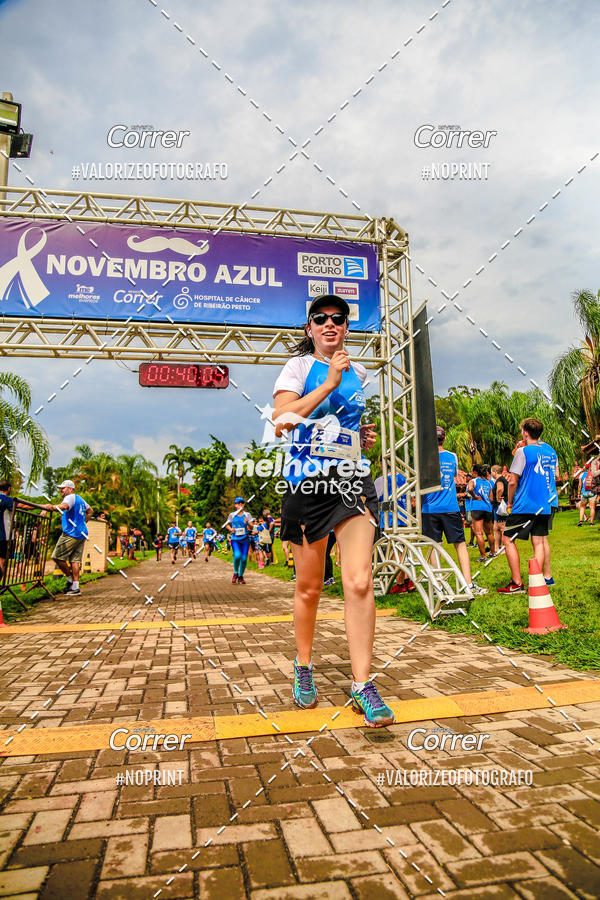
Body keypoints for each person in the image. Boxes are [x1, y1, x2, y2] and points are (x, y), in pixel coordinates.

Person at [273, 293, 395, 728]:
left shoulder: (358, 371)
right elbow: (281, 421)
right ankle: (303, 665)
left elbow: (343, 421)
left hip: (351, 480)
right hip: (307, 483)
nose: (330, 324)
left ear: (346, 327)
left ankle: (362, 684)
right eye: (320, 319)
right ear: (310, 329)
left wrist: (358, 434)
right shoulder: (299, 368)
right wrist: (326, 382)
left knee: (359, 581)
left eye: (337, 319)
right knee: (310, 587)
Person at [420, 428, 488, 597]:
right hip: (450, 507)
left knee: (434, 546)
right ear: (444, 439)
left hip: (429, 509)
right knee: (460, 544)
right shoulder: (452, 457)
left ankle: (438, 585)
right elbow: (453, 475)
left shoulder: (424, 457)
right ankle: (468, 583)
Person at [498, 418, 558, 594]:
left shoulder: (522, 452)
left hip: (525, 504)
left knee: (508, 539)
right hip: (544, 504)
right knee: (538, 541)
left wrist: (509, 502)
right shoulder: (548, 453)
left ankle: (517, 582)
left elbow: (512, 481)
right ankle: (537, 582)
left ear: (525, 433)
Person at [44, 479, 93, 596]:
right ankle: (75, 587)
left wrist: (51, 507)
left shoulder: (70, 497)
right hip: (81, 533)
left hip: (71, 533)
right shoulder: (80, 499)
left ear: (70, 489)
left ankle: (70, 579)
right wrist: (83, 522)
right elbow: (90, 511)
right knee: (74, 560)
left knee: (57, 557)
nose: (61, 490)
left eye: (63, 488)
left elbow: (65, 506)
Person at [467, 465, 494, 562]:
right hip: (487, 508)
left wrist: (475, 496)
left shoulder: (473, 481)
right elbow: (491, 499)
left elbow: (470, 489)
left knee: (479, 533)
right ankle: (493, 553)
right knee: (490, 533)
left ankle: (483, 556)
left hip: (477, 508)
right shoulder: (488, 483)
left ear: (475, 472)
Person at [225, 497, 254, 584]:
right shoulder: (232, 515)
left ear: (244, 505)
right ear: (235, 505)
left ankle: (241, 576)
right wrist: (230, 529)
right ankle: (235, 573)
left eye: (242, 503)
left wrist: (247, 522)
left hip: (245, 539)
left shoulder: (247, 514)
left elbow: (252, 526)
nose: (240, 505)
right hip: (235, 539)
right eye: (238, 503)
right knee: (237, 556)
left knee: (244, 559)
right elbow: (227, 524)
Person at [490, 464, 509, 554]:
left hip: (500, 506)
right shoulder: (503, 479)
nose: (491, 473)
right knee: (496, 527)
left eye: (491, 471)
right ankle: (497, 548)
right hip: (498, 506)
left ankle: (505, 548)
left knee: (501, 527)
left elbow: (500, 489)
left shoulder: (500, 479)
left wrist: (498, 498)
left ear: (495, 472)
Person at [0, 480, 16, 577]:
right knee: (2, 560)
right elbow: (23, 506)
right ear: (9, 489)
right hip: (3, 535)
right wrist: (43, 507)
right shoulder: (6, 500)